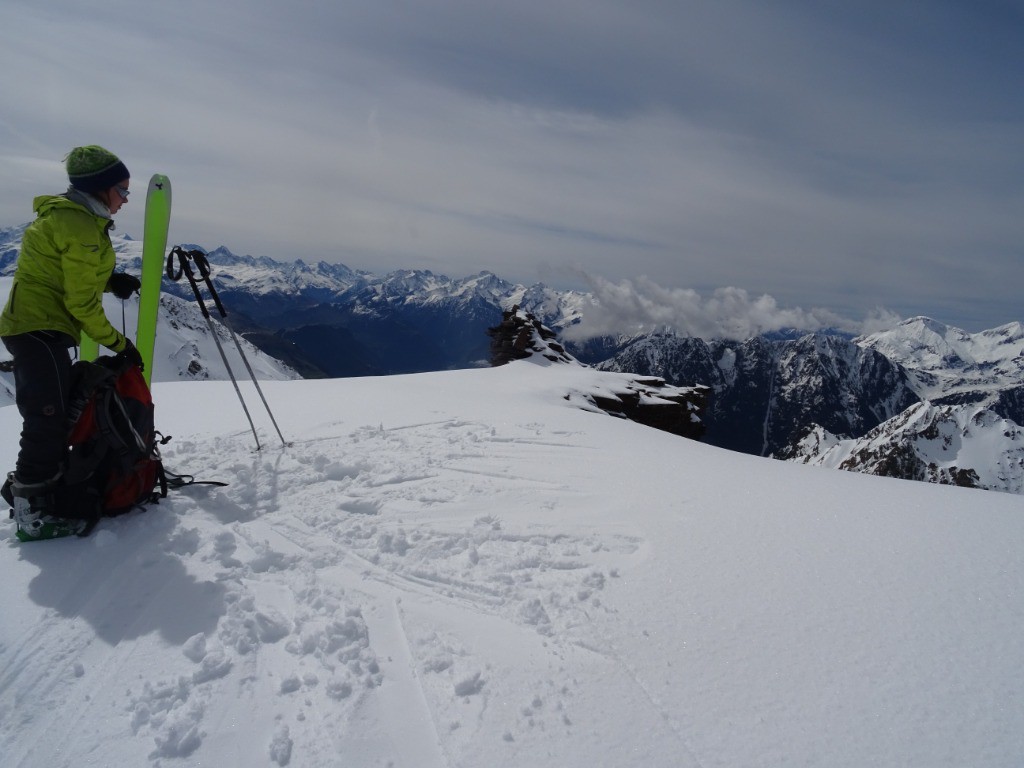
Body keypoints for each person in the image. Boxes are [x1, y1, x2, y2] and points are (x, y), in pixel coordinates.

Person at [0, 145, 144, 539]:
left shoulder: (76, 219)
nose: (125, 200)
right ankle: (32, 515)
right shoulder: (81, 227)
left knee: (55, 412)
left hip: (36, 327)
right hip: (37, 330)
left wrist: (110, 279)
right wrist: (120, 344)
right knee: (47, 418)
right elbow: (81, 303)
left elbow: (64, 272)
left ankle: (40, 486)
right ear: (101, 189)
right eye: (123, 190)